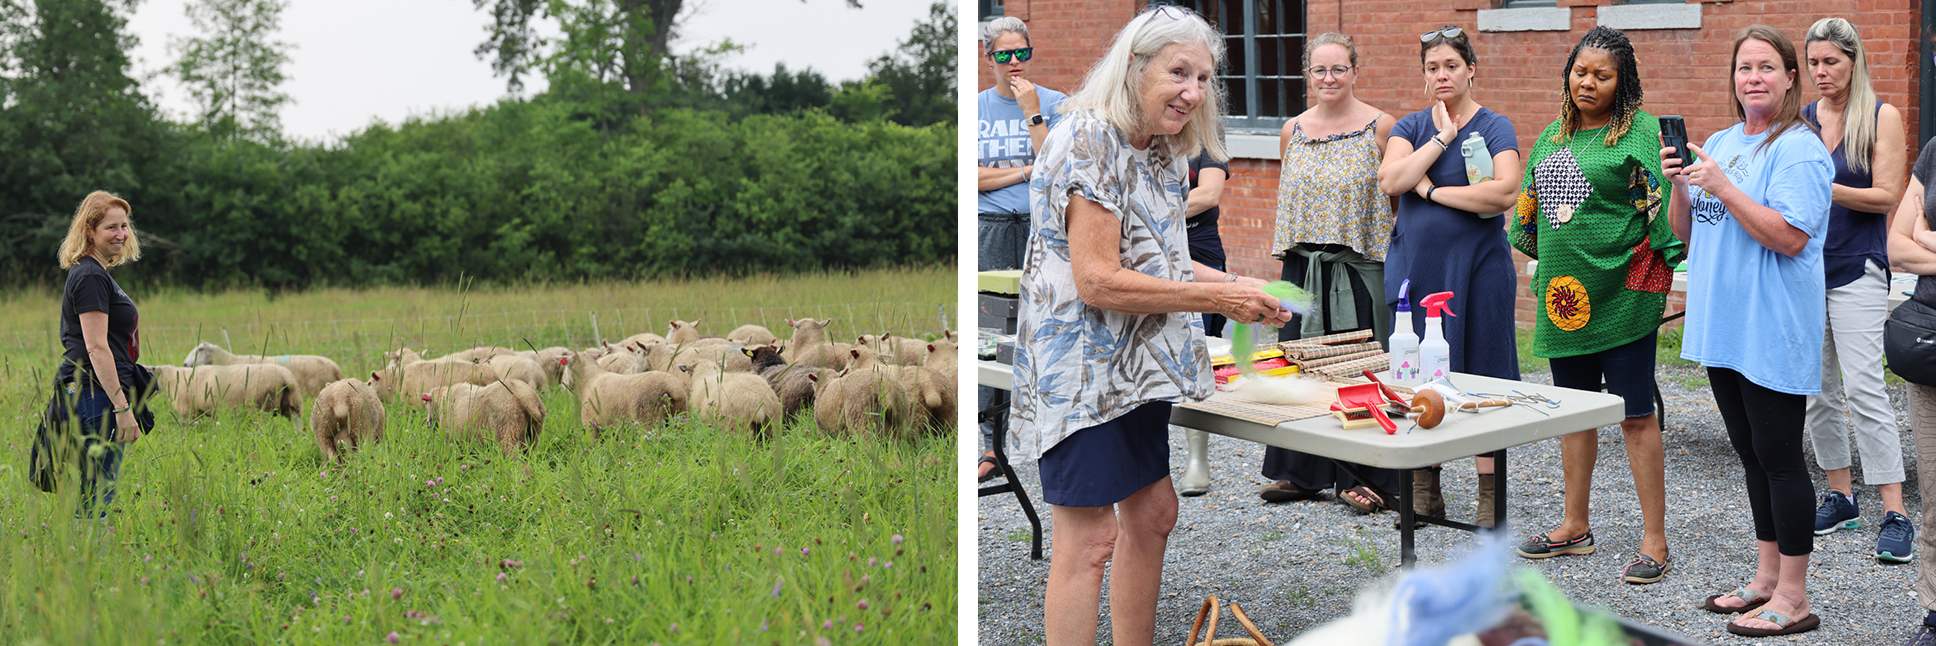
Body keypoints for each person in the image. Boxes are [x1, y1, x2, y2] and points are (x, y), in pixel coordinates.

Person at [1008, 7, 1291, 645]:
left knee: (1156, 513)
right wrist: (1214, 303)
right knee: (1089, 541)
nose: (1193, 91)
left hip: (1138, 364)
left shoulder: (1162, 147)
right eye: (1178, 72)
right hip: (1081, 370)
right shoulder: (1088, 139)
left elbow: (1159, 256)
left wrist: (1236, 284)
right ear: (1135, 67)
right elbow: (1097, 278)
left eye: (1204, 78)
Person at [1663, 25, 1832, 637]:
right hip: (1724, 325)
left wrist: (1725, 186)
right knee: (1751, 455)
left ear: (1791, 77)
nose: (1753, 78)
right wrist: (1683, 183)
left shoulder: (1801, 149)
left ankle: (1794, 596)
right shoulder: (1720, 142)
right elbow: (1688, 233)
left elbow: (1789, 236)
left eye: (1766, 67)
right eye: (1743, 68)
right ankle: (1764, 579)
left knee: (1783, 459)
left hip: (1772, 327)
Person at [1506, 27, 1686, 584]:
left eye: (1602, 75)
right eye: (1580, 71)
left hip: (1623, 295)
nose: (1588, 82)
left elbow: (1661, 215)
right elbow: (1531, 218)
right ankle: (1574, 525)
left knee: (1635, 415)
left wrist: (1656, 272)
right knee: (1574, 411)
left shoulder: (1641, 135)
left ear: (1621, 81)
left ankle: (1654, 540)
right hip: (1565, 301)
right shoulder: (1551, 137)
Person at [1374, 25, 1522, 526]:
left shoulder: (1496, 126)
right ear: (1423, 75)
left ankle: (1488, 496)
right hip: (1416, 270)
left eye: (1451, 66)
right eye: (1433, 67)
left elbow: (1502, 195)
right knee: (1417, 370)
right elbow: (1391, 180)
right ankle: (1424, 491)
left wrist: (1433, 191)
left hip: (1479, 269)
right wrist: (1441, 139)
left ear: (1471, 68)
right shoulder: (1412, 127)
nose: (1442, 75)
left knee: (1482, 368)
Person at [1256, 33, 1402, 515]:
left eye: (1338, 69)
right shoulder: (1291, 130)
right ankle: (1302, 471)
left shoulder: (1382, 128)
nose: (1329, 78)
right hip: (1303, 270)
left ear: (1356, 72)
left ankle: (1370, 475)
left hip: (1356, 269)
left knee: (1359, 370)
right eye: (1319, 70)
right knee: (1302, 366)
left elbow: (1396, 201)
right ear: (1307, 74)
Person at [1798, 17, 1913, 562]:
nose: (1821, 73)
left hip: (1857, 266)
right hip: (1803, 270)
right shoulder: (1800, 120)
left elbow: (1887, 195)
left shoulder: (1880, 114)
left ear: (1853, 60)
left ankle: (1895, 509)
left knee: (1865, 389)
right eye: (1813, 63)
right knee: (1818, 391)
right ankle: (1841, 496)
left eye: (1831, 62)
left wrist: (1824, 186)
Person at [977, 16, 1068, 483]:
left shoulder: (1055, 103)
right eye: (1003, 54)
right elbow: (971, 177)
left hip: (1042, 225)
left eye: (1022, 53)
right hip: (990, 225)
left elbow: (1057, 166)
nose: (1014, 63)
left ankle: (1046, 431)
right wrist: (1023, 172)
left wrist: (1033, 113)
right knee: (990, 332)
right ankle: (991, 446)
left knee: (1045, 323)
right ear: (987, 56)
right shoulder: (975, 108)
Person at [53, 191, 155, 518]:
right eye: (111, 227)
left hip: (92, 390)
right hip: (95, 391)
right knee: (99, 485)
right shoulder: (91, 276)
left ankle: (86, 551)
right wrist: (122, 406)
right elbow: (96, 347)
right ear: (89, 231)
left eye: (124, 226)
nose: (121, 234)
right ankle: (88, 554)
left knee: (97, 481)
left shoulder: (94, 273)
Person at [1887, 93, 1936, 646]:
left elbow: (1915, 238)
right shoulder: (1934, 154)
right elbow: (1896, 246)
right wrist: (1917, 240)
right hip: (1932, 348)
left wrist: (1928, 237)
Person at [1176, 143, 1229, 498]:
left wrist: (1147, 212)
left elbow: (1209, 194)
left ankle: (1197, 456)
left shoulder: (1207, 136)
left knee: (1198, 350)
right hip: (1140, 244)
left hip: (1199, 245)